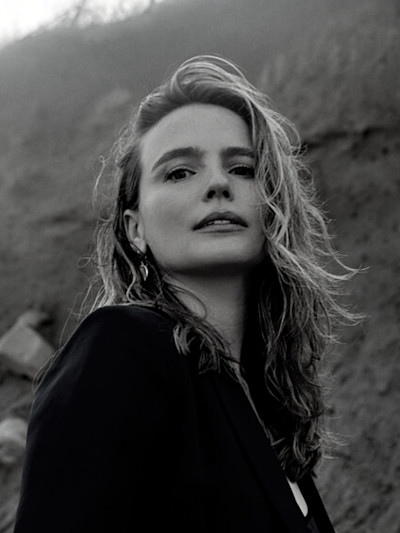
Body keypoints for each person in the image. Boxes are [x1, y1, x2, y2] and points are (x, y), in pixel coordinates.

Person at [14, 55, 356, 532]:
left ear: (272, 205)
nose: (218, 183)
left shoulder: (267, 405)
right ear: (135, 229)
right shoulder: (120, 347)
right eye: (179, 172)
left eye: (243, 168)